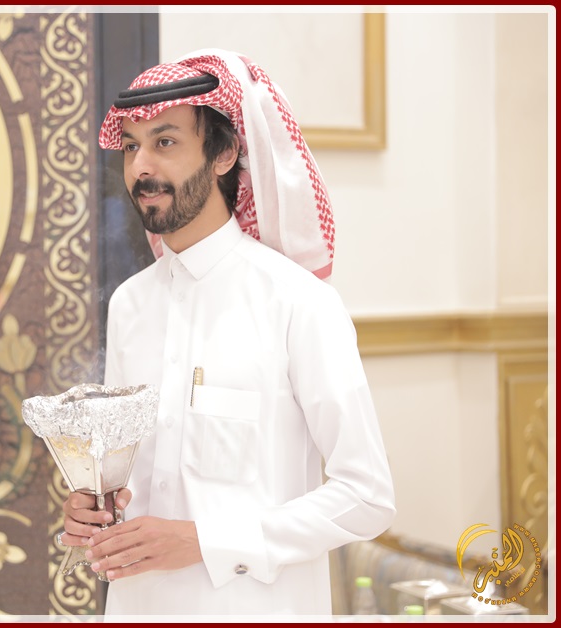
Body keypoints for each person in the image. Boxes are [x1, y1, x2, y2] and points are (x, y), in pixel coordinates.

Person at [59, 49, 396, 616]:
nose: (141, 167)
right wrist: (94, 506)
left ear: (224, 154)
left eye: (165, 142)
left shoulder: (298, 302)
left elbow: (367, 497)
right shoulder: (130, 304)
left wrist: (205, 542)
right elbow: (125, 477)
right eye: (131, 147)